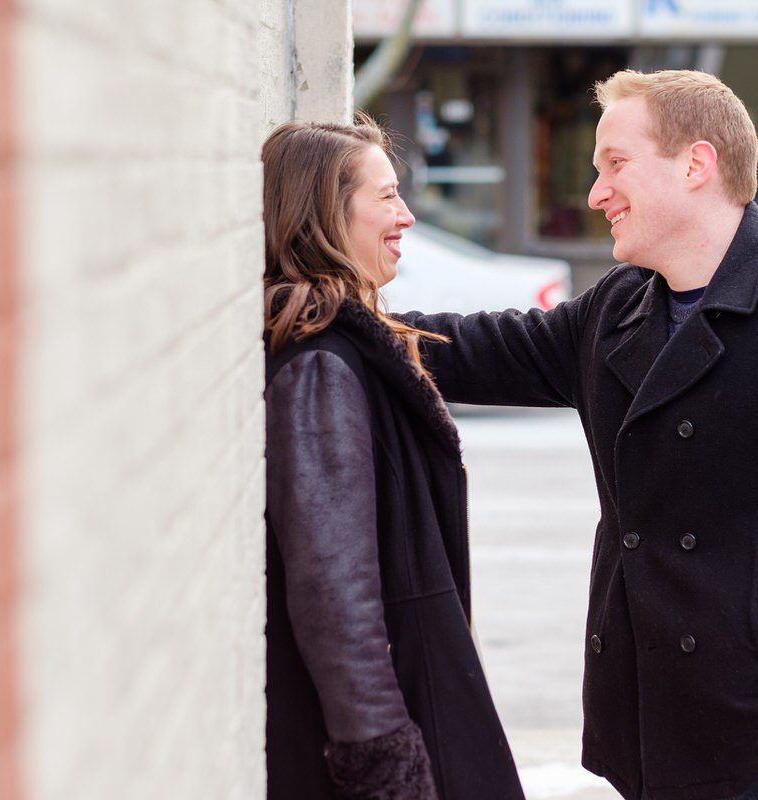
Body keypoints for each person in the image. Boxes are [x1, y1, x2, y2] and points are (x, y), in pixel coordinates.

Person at [402, 69, 758, 800]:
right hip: (662, 722)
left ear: (697, 164)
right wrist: (335, 320)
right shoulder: (619, 307)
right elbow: (472, 349)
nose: (596, 193)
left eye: (615, 165)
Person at [261, 117, 526, 800]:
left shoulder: (350, 345)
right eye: (385, 197)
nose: (406, 215)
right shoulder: (321, 366)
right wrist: (384, 764)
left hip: (419, 690)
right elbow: (334, 592)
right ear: (324, 213)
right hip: (400, 722)